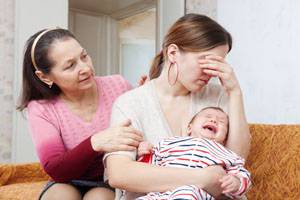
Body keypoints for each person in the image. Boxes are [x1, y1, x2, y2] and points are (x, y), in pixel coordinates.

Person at [104, 13, 251, 200]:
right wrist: (202, 178)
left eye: (218, 64)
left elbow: (236, 159)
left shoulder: (219, 95)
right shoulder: (131, 103)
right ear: (173, 53)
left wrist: (235, 92)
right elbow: (120, 174)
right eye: (206, 61)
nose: (211, 73)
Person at [17, 28, 144, 200]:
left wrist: (147, 95)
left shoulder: (118, 85)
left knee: (98, 197)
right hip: (66, 180)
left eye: (84, 56)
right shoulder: (41, 108)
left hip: (108, 179)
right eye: (70, 66)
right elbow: (55, 168)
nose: (85, 68)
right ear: (45, 77)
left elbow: (142, 131)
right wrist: (95, 142)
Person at [136, 107, 251, 199]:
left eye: (221, 122)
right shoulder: (169, 143)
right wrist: (145, 154)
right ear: (189, 128)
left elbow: (241, 173)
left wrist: (237, 183)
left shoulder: (226, 154)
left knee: (187, 192)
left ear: (224, 139)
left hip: (195, 193)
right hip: (160, 193)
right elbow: (150, 168)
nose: (213, 120)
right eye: (207, 116)